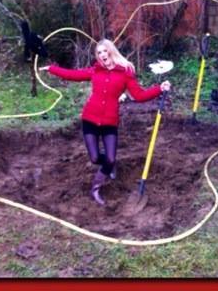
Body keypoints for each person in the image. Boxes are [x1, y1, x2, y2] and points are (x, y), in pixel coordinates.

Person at [41, 39, 171, 205]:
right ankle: (108, 167)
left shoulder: (125, 73)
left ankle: (95, 187)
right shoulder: (95, 71)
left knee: (110, 159)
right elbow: (73, 75)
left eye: (105, 51)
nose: (102, 55)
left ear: (111, 51)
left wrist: (159, 89)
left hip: (110, 122)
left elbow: (139, 96)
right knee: (95, 158)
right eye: (99, 53)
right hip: (90, 119)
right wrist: (52, 69)